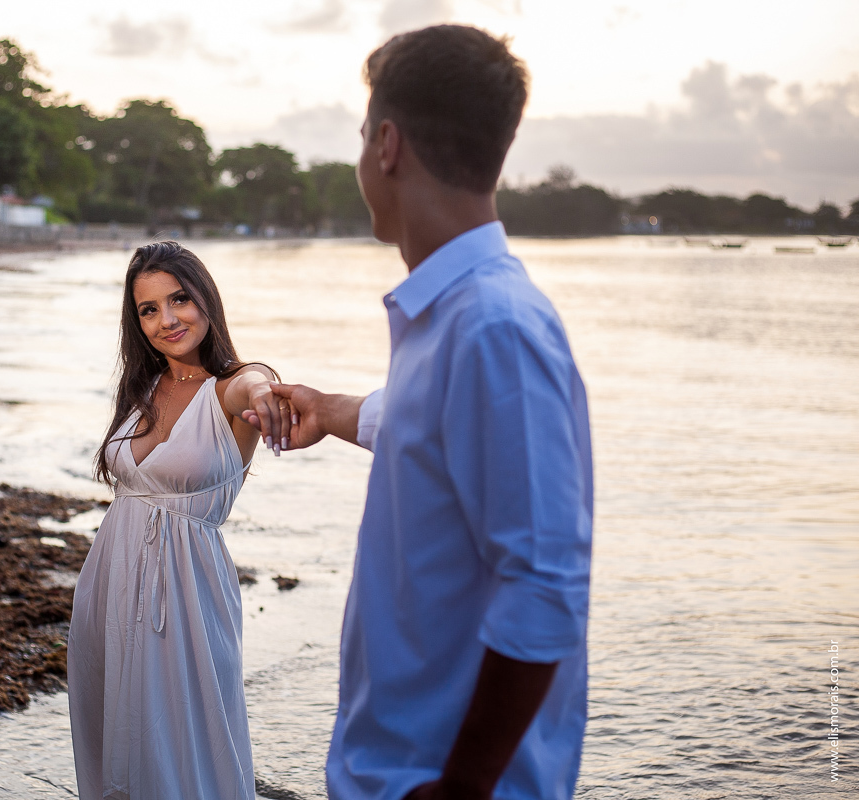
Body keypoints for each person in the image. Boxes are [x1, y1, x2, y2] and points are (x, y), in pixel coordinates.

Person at [243, 25, 594, 800]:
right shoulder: (451, 317)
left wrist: (461, 788)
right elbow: (428, 428)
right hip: (392, 772)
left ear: (388, 146)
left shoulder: (494, 326)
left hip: (444, 783)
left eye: (364, 133)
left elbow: (545, 585)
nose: (364, 153)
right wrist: (329, 410)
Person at [67, 241, 290, 800]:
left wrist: (267, 394)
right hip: (109, 585)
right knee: (113, 736)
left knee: (190, 738)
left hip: (189, 594)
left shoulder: (230, 389)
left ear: (206, 301)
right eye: (148, 309)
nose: (166, 320)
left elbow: (254, 380)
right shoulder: (141, 388)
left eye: (179, 300)